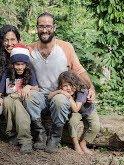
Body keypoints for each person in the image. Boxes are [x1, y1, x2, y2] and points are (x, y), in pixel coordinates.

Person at [25, 12, 97, 153]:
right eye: (41, 26)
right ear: (37, 28)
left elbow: (79, 71)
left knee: (59, 99)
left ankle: (55, 136)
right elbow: (16, 59)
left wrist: (92, 88)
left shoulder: (65, 47)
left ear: (54, 27)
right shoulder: (30, 49)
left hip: (61, 94)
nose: (45, 30)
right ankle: (40, 134)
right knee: (30, 97)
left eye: (48, 26)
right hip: (41, 94)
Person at [0, 43, 38, 154]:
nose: (20, 67)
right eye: (17, 64)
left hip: (24, 100)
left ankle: (25, 140)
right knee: (8, 100)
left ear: (26, 64)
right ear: (12, 64)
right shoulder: (7, 73)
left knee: (17, 104)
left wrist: (28, 87)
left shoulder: (29, 72)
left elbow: (36, 88)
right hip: (11, 99)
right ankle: (13, 134)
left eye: (23, 64)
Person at [49, 71, 100, 155]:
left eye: (71, 85)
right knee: (72, 123)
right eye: (65, 85)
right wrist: (59, 92)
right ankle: (76, 145)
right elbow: (49, 96)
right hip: (76, 112)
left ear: (76, 84)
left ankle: (83, 144)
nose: (68, 88)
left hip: (87, 110)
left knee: (96, 126)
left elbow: (76, 108)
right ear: (61, 86)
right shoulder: (62, 90)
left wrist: (69, 97)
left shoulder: (82, 91)